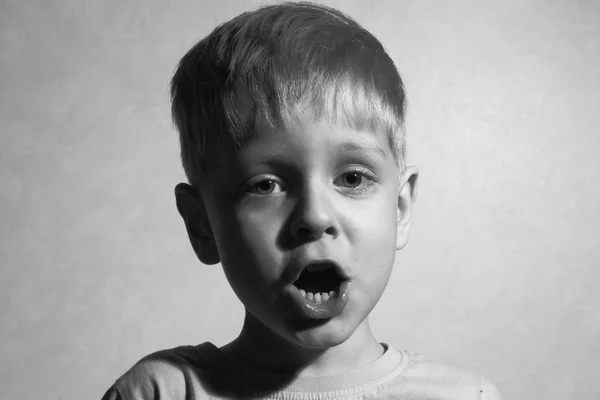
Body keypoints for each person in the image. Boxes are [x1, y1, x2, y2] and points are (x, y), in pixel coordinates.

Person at [101, 2, 501, 398]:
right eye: (265, 186)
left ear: (400, 210)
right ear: (202, 225)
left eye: (352, 178)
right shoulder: (162, 393)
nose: (314, 216)